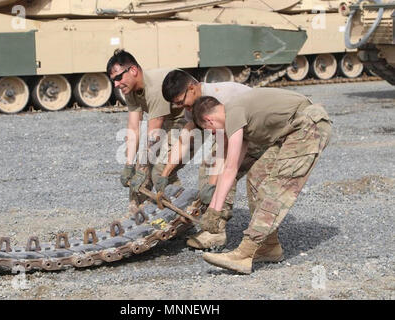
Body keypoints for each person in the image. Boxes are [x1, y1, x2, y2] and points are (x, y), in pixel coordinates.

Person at [192, 88, 331, 274]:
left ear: (208, 121)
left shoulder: (232, 113)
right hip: (291, 131)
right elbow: (230, 170)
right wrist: (214, 210)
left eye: (210, 131)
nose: (214, 134)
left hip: (308, 125)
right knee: (257, 176)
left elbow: (230, 168)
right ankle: (268, 247)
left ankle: (245, 253)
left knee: (277, 188)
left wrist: (214, 211)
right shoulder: (238, 115)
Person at [160, 69, 265, 250]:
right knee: (210, 168)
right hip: (239, 133)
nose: (181, 107)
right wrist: (165, 173)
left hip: (259, 131)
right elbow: (185, 138)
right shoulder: (193, 105)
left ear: (192, 88)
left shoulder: (222, 97)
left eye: (181, 101)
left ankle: (216, 230)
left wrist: (213, 183)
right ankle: (211, 219)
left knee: (224, 173)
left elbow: (224, 152)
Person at [106, 50, 186, 214]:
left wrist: (143, 169)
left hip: (188, 117)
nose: (115, 84)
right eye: (113, 80)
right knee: (139, 168)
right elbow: (134, 128)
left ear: (133, 71)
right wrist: (129, 166)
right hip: (167, 119)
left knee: (160, 169)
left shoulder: (155, 87)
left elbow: (154, 133)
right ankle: (138, 215)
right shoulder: (130, 89)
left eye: (118, 78)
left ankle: (180, 212)